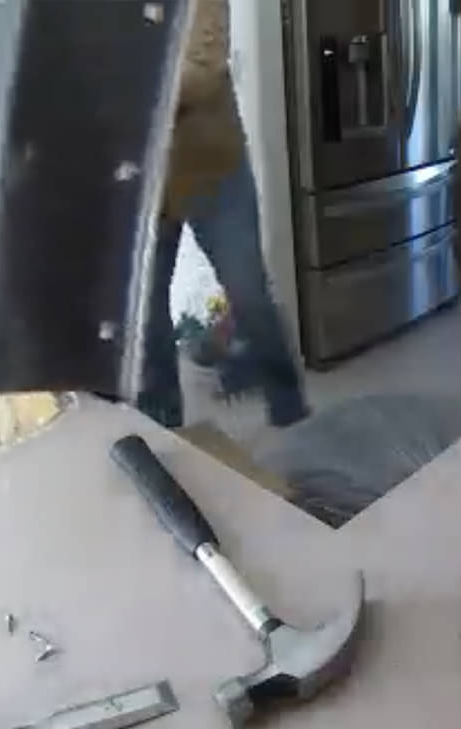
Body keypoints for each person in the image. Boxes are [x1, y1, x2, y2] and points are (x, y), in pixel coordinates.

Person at [136, 0, 307, 429]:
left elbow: (202, 67)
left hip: (214, 169)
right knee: (147, 309)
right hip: (145, 177)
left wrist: (123, 83)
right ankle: (164, 424)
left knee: (248, 289)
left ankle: (288, 407)